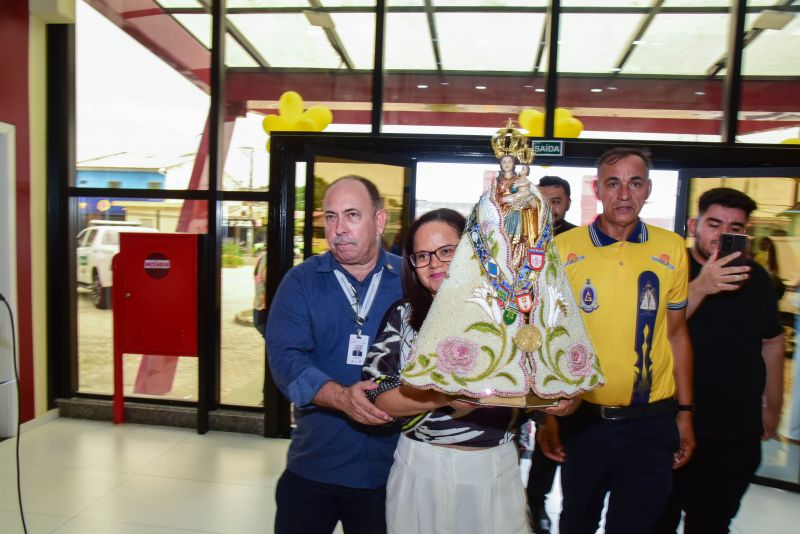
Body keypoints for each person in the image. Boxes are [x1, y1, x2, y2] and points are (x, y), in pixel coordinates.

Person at [362, 208, 577, 534]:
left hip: (493, 467)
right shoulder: (403, 317)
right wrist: (442, 397)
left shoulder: (514, 317)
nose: (434, 263)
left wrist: (562, 402)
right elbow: (376, 394)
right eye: (422, 255)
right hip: (419, 466)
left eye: (446, 251)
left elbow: (554, 388)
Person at [538, 147, 695, 534]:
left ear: (648, 189)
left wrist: (687, 412)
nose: (624, 194)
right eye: (614, 183)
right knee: (577, 521)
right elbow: (547, 340)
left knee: (636, 525)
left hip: (652, 423)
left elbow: (677, 333)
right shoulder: (563, 249)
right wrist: (546, 415)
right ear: (598, 189)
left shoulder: (672, 248)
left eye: (635, 183)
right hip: (585, 421)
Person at [266, 176, 403, 534]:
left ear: (379, 220)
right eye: (330, 217)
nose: (339, 228)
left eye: (352, 215)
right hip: (314, 467)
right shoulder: (301, 282)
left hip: (390, 472)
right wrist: (341, 397)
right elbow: (285, 359)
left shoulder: (411, 281)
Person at [653, 188, 784, 533]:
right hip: (672, 422)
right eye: (714, 224)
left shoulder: (757, 280)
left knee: (712, 523)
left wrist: (773, 404)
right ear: (694, 224)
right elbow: (654, 335)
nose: (723, 234)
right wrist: (700, 287)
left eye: (735, 228)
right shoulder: (669, 266)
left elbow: (772, 340)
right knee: (657, 519)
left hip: (735, 429)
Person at [526, 174, 577, 533]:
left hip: (558, 351)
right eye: (542, 201)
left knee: (553, 429)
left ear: (568, 204)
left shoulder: (579, 242)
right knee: (509, 429)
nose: (549, 208)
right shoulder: (516, 237)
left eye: (555, 201)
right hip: (516, 349)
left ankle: (536, 502)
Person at [252, 250, 267, 336]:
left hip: (261, 303)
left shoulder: (262, 256)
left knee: (260, 324)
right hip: (261, 303)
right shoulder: (264, 257)